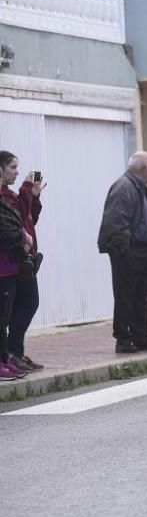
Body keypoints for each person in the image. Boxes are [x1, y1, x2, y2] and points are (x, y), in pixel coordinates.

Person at [97, 152, 147, 354]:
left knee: (141, 296)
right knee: (126, 296)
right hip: (130, 251)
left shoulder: (139, 187)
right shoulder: (124, 187)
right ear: (142, 168)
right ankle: (124, 338)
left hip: (144, 252)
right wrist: (125, 249)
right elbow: (115, 222)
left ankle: (141, 335)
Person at [0, 151, 44, 371]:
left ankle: (15, 352)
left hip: (22, 259)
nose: (17, 172)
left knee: (20, 306)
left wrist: (34, 196)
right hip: (12, 261)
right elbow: (15, 219)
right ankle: (11, 352)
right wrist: (27, 189)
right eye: (12, 167)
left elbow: (27, 219)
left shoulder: (9, 194)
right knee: (27, 303)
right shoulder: (5, 197)